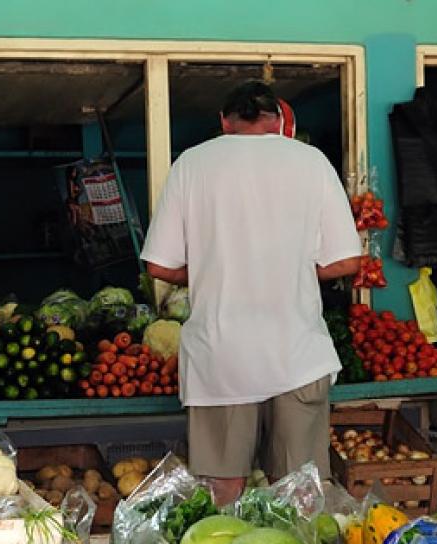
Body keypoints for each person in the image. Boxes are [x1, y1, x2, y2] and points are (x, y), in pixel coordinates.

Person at [142, 80, 362, 504]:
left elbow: (159, 265)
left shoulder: (193, 163)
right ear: (279, 121)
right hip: (296, 354)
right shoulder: (311, 162)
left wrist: (217, 269)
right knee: (298, 492)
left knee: (223, 489)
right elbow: (346, 261)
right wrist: (288, 269)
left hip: (222, 358)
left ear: (224, 122)